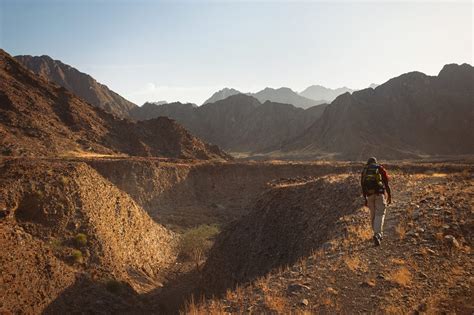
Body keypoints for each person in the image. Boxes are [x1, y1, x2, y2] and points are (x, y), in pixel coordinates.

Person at [361, 157, 392, 246]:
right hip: (379, 194)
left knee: (373, 214)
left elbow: (362, 185)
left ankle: (376, 233)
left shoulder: (365, 170)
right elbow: (386, 184)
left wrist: (365, 199)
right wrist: (389, 195)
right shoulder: (379, 168)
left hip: (369, 195)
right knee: (380, 214)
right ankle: (377, 234)